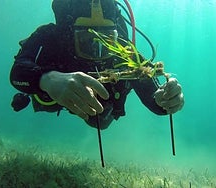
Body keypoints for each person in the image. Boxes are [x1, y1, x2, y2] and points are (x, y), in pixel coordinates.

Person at [10, 0, 184, 130]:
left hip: (101, 107)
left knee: (100, 121)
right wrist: (46, 79)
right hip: (52, 97)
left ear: (117, 36)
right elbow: (18, 71)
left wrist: (166, 101)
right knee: (46, 102)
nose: (97, 51)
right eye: (87, 40)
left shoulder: (124, 52)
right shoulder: (50, 36)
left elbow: (153, 98)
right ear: (70, 35)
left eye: (108, 40)